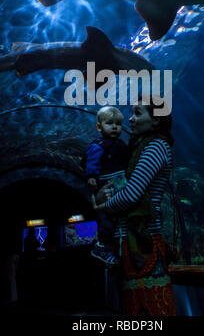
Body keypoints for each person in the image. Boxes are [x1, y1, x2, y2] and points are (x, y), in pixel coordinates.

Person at [95, 97, 176, 316]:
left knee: (153, 308)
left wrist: (101, 207)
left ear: (156, 120)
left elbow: (131, 195)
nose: (130, 119)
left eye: (138, 113)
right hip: (129, 240)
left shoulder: (156, 147)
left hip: (144, 239)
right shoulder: (139, 147)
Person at [84, 106, 129, 266]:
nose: (115, 127)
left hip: (120, 183)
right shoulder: (98, 145)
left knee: (119, 217)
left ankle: (114, 247)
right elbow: (92, 161)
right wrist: (91, 176)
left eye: (118, 123)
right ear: (99, 126)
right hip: (106, 183)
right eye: (109, 123)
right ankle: (101, 245)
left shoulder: (121, 144)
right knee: (106, 218)